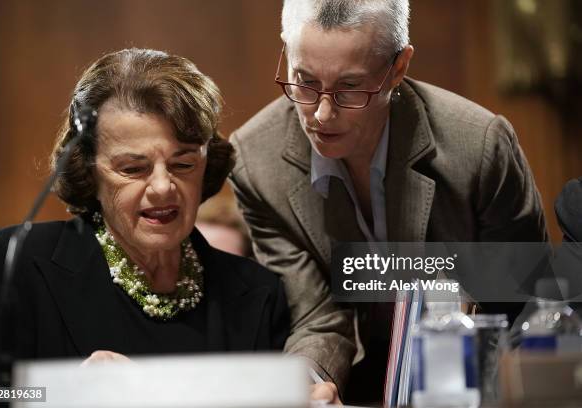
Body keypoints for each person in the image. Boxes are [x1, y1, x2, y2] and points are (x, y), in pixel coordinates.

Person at [229, 0, 548, 404]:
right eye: (305, 81)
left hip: (470, 381)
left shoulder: (479, 146)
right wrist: (309, 387)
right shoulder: (255, 162)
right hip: (354, 388)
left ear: (399, 68)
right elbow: (314, 315)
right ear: (285, 52)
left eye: (349, 87)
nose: (322, 114)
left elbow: (522, 297)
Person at [0, 48, 290, 387]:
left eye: (183, 165)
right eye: (134, 169)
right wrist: (66, 392)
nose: (163, 187)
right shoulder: (15, 263)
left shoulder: (257, 293)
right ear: (88, 171)